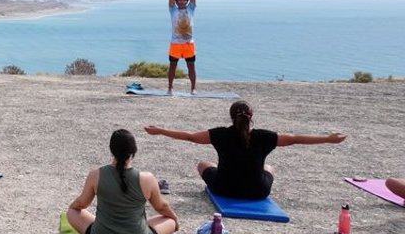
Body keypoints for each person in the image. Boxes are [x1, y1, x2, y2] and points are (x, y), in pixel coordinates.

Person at [144, 101, 347, 199]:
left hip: (224, 187)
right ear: (251, 115)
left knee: (203, 165)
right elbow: (294, 139)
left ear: (231, 116)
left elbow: (189, 136)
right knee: (270, 167)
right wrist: (328, 139)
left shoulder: (220, 134)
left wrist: (161, 130)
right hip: (258, 191)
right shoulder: (264, 136)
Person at [67, 129, 179, 234]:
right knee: (169, 220)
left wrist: (71, 207)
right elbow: (162, 207)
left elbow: (81, 204)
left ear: (111, 150)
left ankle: (108, 226)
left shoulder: (96, 175)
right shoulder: (147, 178)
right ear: (134, 151)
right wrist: (174, 218)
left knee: (72, 212)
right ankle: (133, 228)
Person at [167, 0, 197, 94]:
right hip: (176, 43)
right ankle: (170, 87)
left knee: (191, 67)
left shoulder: (191, 9)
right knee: (172, 66)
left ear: (187, 1)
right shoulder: (173, 10)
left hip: (189, 43)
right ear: (176, 1)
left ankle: (193, 88)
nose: (182, 1)